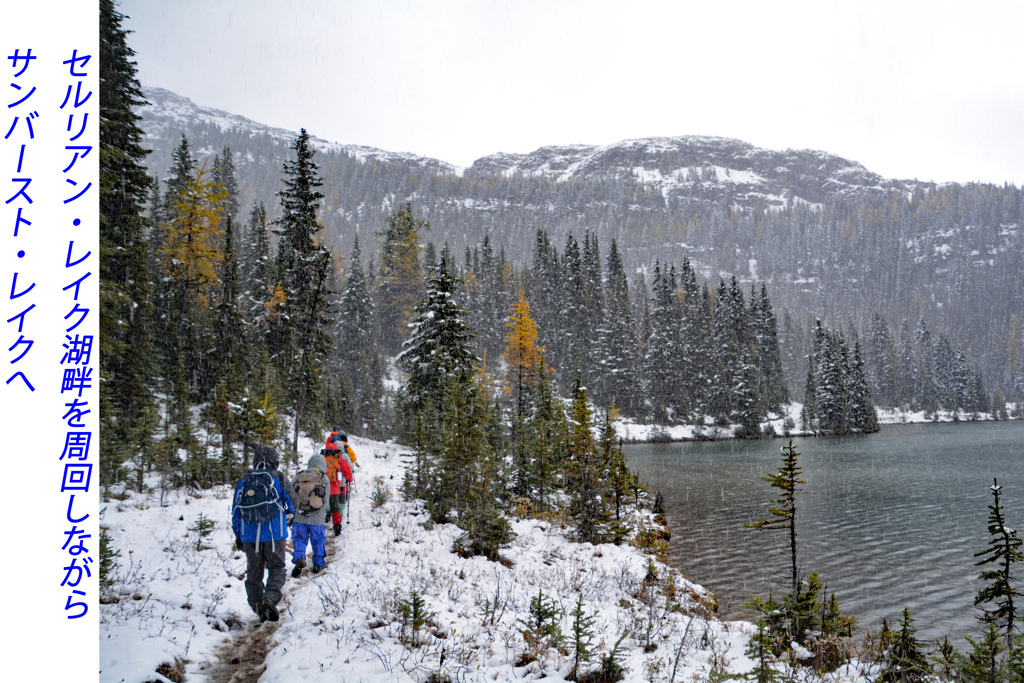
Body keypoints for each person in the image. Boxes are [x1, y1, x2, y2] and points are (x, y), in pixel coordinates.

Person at [231, 445, 297, 623]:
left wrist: (239, 534)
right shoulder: (278, 477)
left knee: (254, 571)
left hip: (249, 534)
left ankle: (258, 607)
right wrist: (289, 519)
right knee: (277, 567)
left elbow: (236, 509)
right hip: (274, 532)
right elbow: (292, 501)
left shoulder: (245, 479)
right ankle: (270, 598)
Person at [290, 452, 330, 577]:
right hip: (316, 517)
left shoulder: (299, 476)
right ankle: (318, 562)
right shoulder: (323, 478)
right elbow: (326, 501)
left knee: (299, 539)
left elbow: (291, 494)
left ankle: (300, 558)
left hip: (299, 516)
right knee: (318, 540)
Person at [322, 426, 354, 536]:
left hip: (323, 486)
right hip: (335, 487)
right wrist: (350, 479)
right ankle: (337, 526)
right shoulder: (338, 458)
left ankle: (322, 521)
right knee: (335, 507)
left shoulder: (322, 456)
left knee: (322, 505)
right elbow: (347, 470)